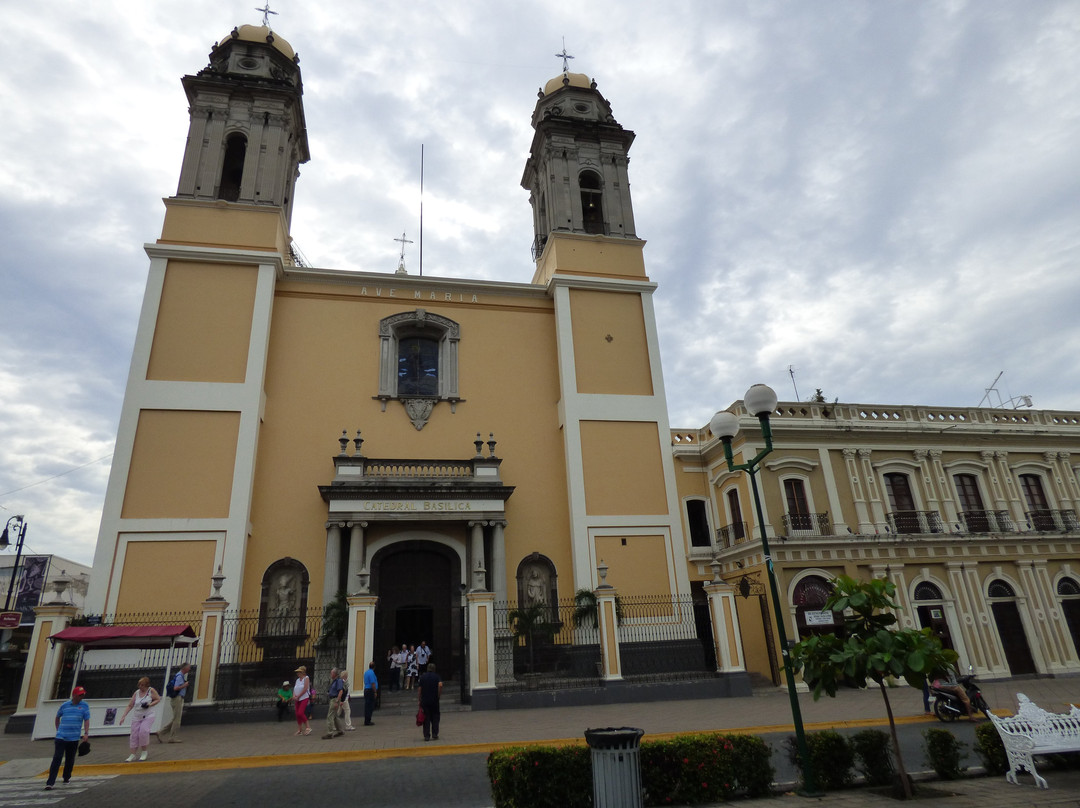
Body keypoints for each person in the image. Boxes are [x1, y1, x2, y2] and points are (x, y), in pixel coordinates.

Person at [45, 685, 90, 790]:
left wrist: (86, 733)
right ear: (74, 695)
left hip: (74, 738)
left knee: (70, 759)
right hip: (61, 737)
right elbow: (57, 716)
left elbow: (86, 719)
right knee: (57, 758)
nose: (81, 697)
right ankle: (50, 782)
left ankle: (66, 777)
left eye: (82, 695)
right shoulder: (65, 705)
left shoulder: (84, 706)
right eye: (79, 695)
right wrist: (58, 730)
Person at [118, 676, 161, 762]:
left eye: (142, 685)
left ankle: (144, 752)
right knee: (134, 734)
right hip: (137, 716)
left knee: (143, 731)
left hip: (148, 715)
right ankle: (132, 754)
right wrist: (124, 716)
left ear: (147, 685)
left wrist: (149, 705)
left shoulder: (150, 691)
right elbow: (130, 705)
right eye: (139, 685)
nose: (140, 687)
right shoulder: (137, 693)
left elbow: (158, 699)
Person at [158, 662, 191, 743]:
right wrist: (185, 685)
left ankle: (161, 732)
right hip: (177, 698)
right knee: (177, 719)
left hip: (177, 698)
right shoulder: (180, 676)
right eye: (188, 667)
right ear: (185, 668)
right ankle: (172, 737)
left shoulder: (179, 675)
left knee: (175, 718)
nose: (189, 669)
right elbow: (176, 688)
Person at [417, 662, 443, 742]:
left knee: (426, 718)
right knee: (435, 717)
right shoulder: (437, 677)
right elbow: (440, 685)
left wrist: (419, 699)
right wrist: (438, 695)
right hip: (434, 700)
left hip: (425, 700)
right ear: (434, 669)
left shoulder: (423, 677)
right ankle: (435, 734)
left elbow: (419, 689)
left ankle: (427, 735)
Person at [322, 668, 345, 739]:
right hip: (333, 699)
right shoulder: (334, 681)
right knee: (335, 716)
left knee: (330, 716)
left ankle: (330, 733)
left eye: (331, 673)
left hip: (335, 699)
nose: (330, 674)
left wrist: (337, 701)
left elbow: (341, 691)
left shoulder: (338, 681)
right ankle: (340, 731)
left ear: (335, 674)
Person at [291, 665, 312, 735]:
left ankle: (308, 727)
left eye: (299, 672)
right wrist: (294, 696)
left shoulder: (306, 678)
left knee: (300, 712)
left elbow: (305, 688)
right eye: (297, 672)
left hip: (304, 697)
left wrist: (299, 696)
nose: (298, 674)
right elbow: (295, 688)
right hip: (297, 699)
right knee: (297, 714)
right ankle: (299, 729)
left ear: (303, 672)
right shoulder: (297, 680)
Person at [362, 661, 378, 726]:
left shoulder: (366, 672)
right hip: (370, 690)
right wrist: (375, 691)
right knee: (370, 706)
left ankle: (367, 720)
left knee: (367, 706)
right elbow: (373, 683)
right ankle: (368, 720)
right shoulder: (372, 673)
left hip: (366, 689)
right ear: (374, 667)